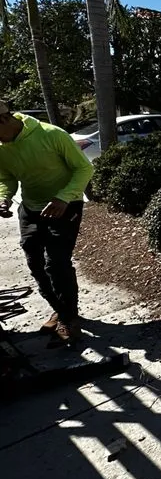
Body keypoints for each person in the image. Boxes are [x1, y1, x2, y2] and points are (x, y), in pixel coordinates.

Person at [0, 102, 94, 343]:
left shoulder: (51, 134)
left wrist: (63, 198)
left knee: (56, 263)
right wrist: (4, 197)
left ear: (4, 121)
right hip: (31, 207)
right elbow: (6, 177)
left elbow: (84, 168)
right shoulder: (2, 147)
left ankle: (69, 321)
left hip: (65, 204)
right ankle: (61, 310)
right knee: (35, 263)